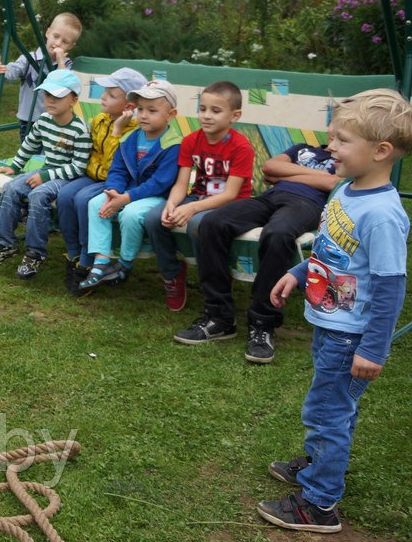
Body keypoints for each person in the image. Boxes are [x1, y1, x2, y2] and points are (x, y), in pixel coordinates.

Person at [257, 89, 412, 534]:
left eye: (341, 140)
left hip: (351, 337)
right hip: (331, 325)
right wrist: (300, 271)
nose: (330, 148)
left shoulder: (382, 214)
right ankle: (319, 464)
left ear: (380, 151)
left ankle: (319, 503)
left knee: (327, 412)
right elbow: (334, 250)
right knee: (331, 407)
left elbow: (389, 288)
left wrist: (374, 350)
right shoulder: (347, 190)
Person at [178, 137, 341, 363]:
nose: (335, 137)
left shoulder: (344, 157)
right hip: (270, 197)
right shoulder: (302, 149)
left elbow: (335, 183)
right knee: (212, 223)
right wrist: (320, 178)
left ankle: (263, 323)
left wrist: (286, 175)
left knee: (278, 234)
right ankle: (219, 317)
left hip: (307, 204)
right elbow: (270, 168)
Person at [142, 80, 254, 311]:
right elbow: (182, 184)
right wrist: (172, 205)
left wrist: (191, 208)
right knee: (155, 218)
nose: (206, 116)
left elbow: (231, 194)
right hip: (199, 196)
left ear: (235, 115)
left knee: (198, 224)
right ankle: (172, 275)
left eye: (215, 110)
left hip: (231, 204)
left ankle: (215, 280)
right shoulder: (191, 141)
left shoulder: (241, 147)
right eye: (202, 109)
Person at [0, 69, 92, 279]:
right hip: (47, 170)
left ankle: (35, 253)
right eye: (47, 95)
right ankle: (5, 244)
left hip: (67, 178)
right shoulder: (44, 120)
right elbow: (30, 144)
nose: (50, 100)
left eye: (57, 96)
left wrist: (45, 177)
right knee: (11, 187)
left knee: (38, 195)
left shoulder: (79, 130)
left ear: (73, 100)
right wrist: (15, 166)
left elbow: (79, 167)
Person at [76, 80, 183, 294]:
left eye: (152, 110)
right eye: (140, 109)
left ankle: (124, 263)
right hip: (126, 192)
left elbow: (160, 182)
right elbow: (118, 170)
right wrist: (114, 190)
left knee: (131, 215)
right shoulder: (130, 138)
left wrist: (126, 198)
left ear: (171, 114)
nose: (143, 115)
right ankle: (101, 260)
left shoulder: (174, 144)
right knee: (97, 203)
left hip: (156, 196)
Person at [56, 67, 145, 290]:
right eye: (104, 91)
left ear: (129, 106)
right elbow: (89, 150)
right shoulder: (98, 120)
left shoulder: (134, 129)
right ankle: (74, 253)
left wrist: (117, 131)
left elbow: (119, 164)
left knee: (82, 200)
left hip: (114, 182)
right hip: (91, 175)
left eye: (112, 95)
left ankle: (89, 259)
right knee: (65, 195)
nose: (103, 97)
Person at [0, 12, 81, 141]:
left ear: (71, 46)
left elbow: (66, 84)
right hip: (28, 121)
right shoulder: (29, 59)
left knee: (51, 157)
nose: (58, 43)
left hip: (55, 123)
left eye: (65, 41)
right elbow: (12, 72)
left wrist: (60, 61)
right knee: (30, 158)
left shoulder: (67, 66)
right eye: (56, 36)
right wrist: (1, 70)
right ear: (48, 33)